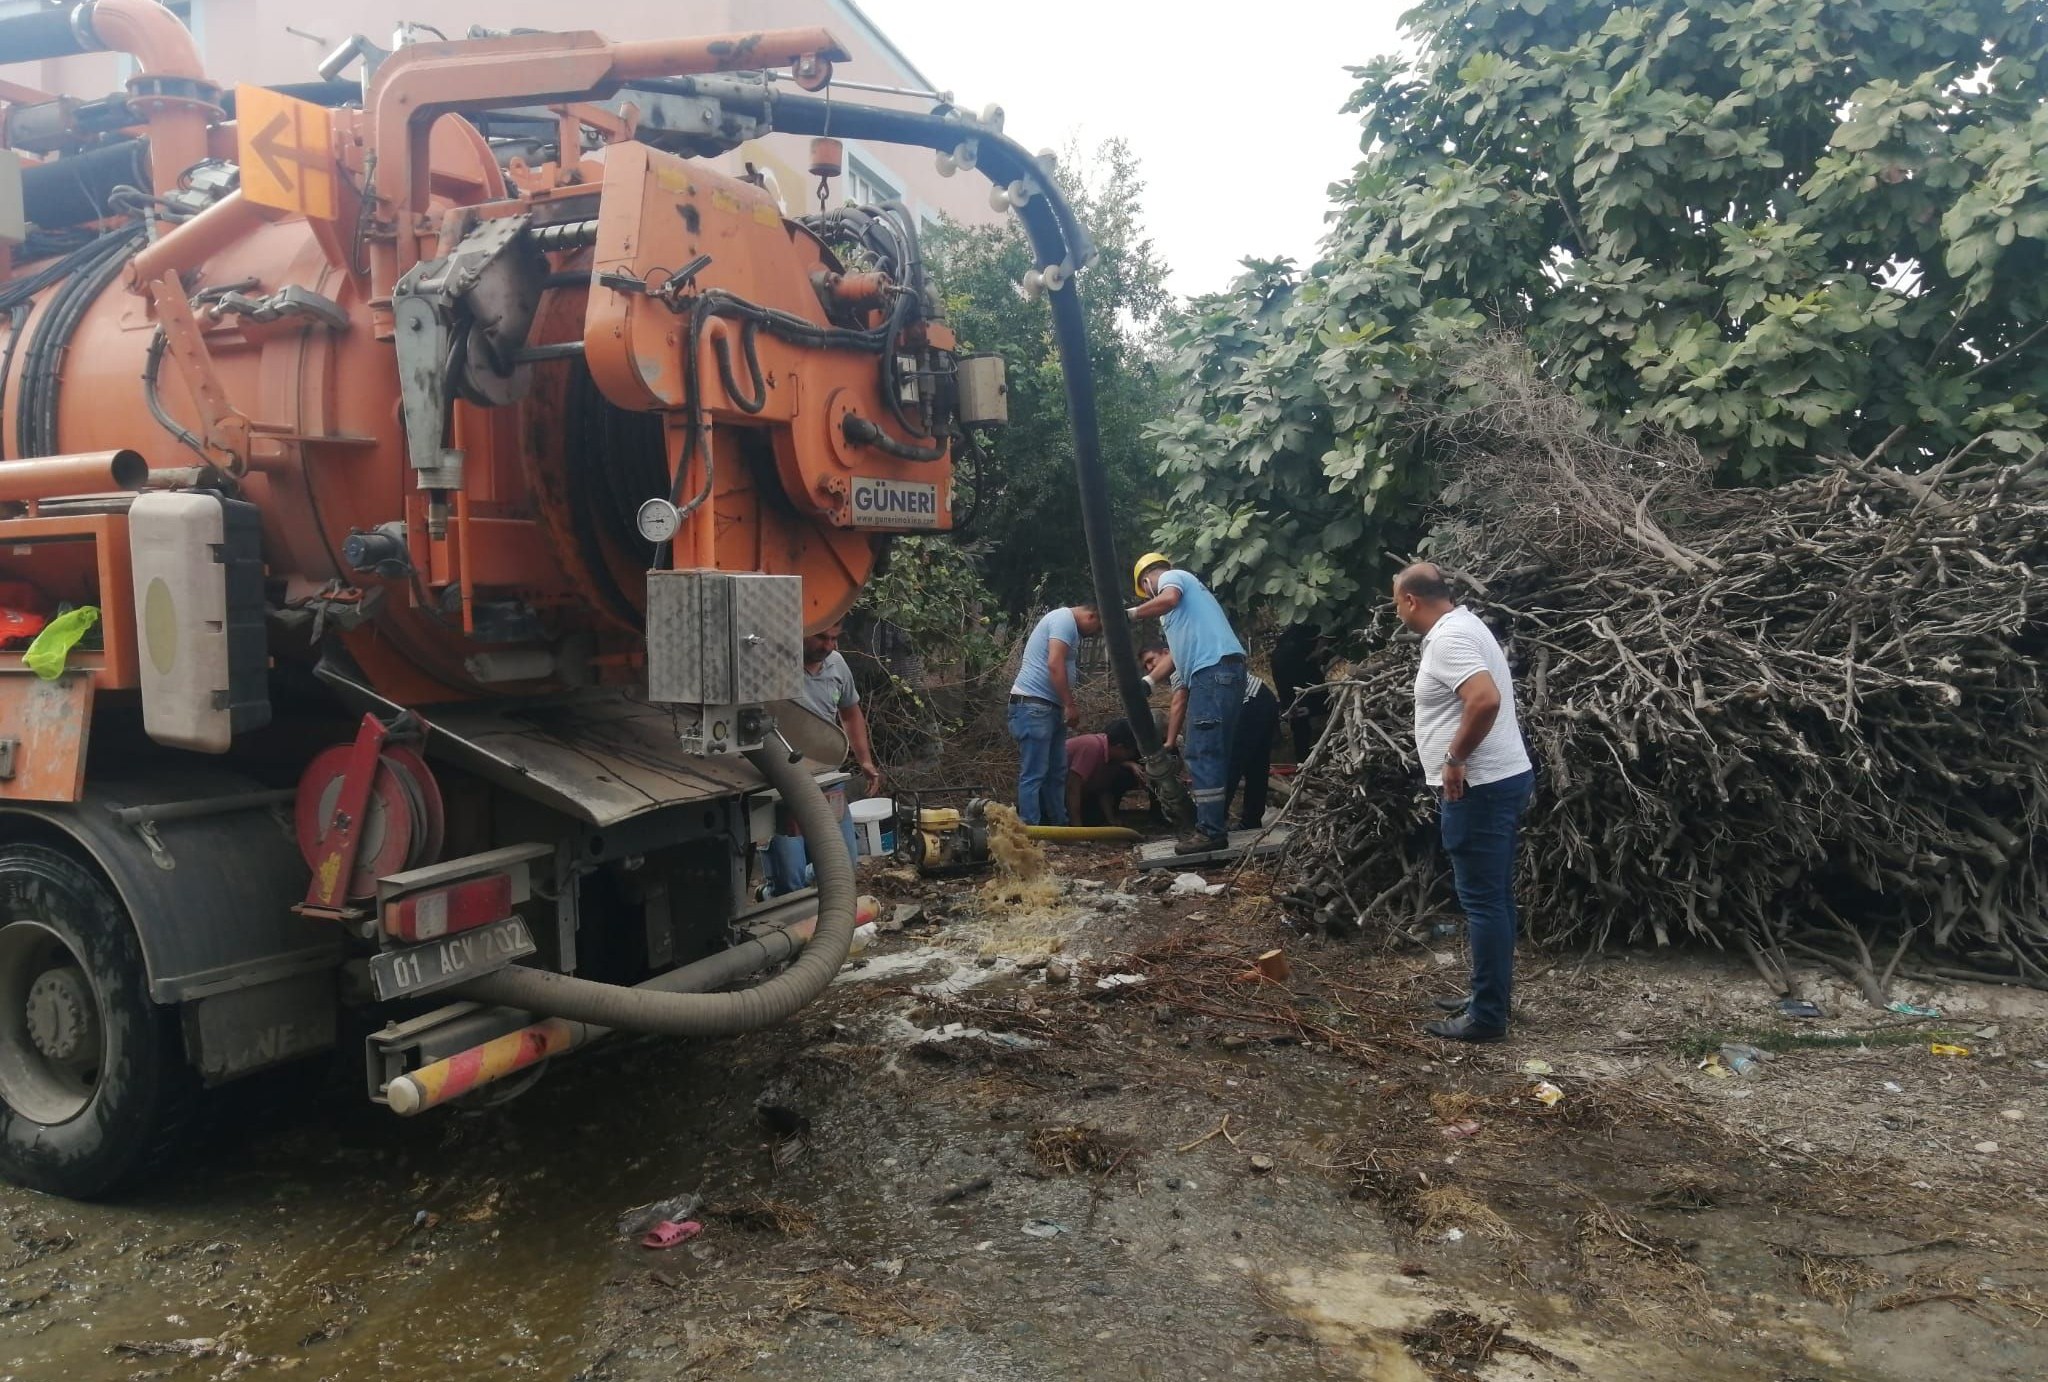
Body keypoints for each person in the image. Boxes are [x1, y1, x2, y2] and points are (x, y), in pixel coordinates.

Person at [1393, 563, 1534, 1043]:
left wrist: (1454, 757)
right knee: (1494, 898)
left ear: (1411, 599)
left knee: (1482, 902)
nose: (1398, 611)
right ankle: (1490, 996)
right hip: (1501, 781)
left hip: (1479, 788)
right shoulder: (1466, 624)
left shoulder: (1448, 639)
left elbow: (1484, 699)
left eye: (1396, 602)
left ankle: (1488, 1017)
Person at [1126, 553, 1246, 854]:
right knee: (1217, 752)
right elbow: (1176, 657)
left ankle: (1209, 832)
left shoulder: (1170, 578)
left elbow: (1168, 599)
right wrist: (1150, 682)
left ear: (1146, 581)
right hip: (1225, 672)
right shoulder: (1183, 614)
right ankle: (1214, 824)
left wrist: (1130, 614)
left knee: (1202, 751)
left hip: (1211, 672)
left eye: (1145, 591)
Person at [766, 624, 880, 896]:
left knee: (842, 865)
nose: (828, 646)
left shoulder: (836, 664)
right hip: (778, 781)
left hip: (827, 777)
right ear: (801, 630)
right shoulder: (771, 663)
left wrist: (864, 760)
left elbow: (850, 713)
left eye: (834, 639)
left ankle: (821, 913)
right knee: (788, 882)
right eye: (821, 637)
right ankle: (777, 898)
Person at [1141, 645, 1278, 831]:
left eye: (1151, 660)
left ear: (1166, 653)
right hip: (1262, 696)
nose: (1150, 668)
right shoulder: (1191, 658)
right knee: (1255, 766)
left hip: (1248, 702)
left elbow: (1179, 703)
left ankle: (1212, 823)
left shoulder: (1179, 663)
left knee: (1230, 763)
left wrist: (1170, 742)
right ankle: (1250, 821)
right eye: (1146, 666)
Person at [1008, 602, 1103, 825]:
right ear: (1091, 616)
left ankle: (1059, 826)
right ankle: (1031, 830)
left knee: (1057, 772)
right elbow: (1054, 663)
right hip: (1033, 706)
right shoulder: (1063, 620)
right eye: (1098, 629)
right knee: (1035, 773)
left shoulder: (1068, 626)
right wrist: (1070, 704)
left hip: (1050, 707)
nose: (1093, 635)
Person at [1063, 718, 1142, 827]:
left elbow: (1102, 788)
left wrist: (1111, 820)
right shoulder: (1092, 747)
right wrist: (1077, 829)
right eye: (1130, 751)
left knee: (1095, 820)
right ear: (1119, 746)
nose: (1131, 755)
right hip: (1054, 791)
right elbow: (1072, 788)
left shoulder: (1110, 757)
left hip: (1077, 791)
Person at [1272, 623, 1334, 762]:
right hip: (1296, 673)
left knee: (1299, 716)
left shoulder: (1290, 642)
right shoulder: (1297, 649)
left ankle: (1304, 758)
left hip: (1288, 671)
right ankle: (1310, 758)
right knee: (1305, 714)